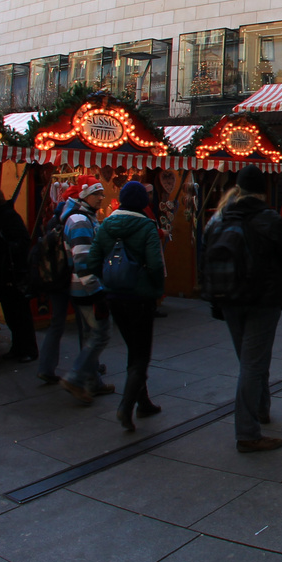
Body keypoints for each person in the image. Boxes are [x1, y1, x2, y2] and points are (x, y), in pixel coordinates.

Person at [206, 165, 282, 453]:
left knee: (251, 360)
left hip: (230, 299)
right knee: (253, 363)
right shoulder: (268, 218)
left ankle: (261, 407)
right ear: (262, 190)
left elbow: (205, 258)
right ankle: (247, 431)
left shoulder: (219, 218)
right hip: (263, 300)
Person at [80, 181, 165, 432]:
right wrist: (156, 288)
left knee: (132, 347)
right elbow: (155, 263)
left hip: (115, 296)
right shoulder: (147, 226)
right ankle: (126, 407)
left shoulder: (106, 225)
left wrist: (107, 279)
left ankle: (143, 401)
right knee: (141, 355)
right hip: (140, 297)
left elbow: (92, 261)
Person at [60, 179, 115, 403]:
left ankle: (92, 383)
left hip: (81, 287)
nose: (101, 197)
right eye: (97, 194)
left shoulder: (83, 217)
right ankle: (75, 377)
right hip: (86, 289)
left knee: (89, 335)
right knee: (101, 333)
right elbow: (83, 260)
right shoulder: (80, 221)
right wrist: (96, 292)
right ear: (84, 195)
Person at [36, 183, 82, 386]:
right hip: (73, 276)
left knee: (57, 322)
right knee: (85, 322)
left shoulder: (53, 220)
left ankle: (46, 366)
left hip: (56, 278)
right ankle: (89, 364)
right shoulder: (75, 220)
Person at [0, 186, 38, 362]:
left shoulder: (8, 217)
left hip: (14, 272)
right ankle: (18, 347)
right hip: (7, 272)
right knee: (11, 313)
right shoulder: (1, 216)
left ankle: (28, 348)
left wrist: (8, 247)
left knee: (19, 314)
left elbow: (23, 241)